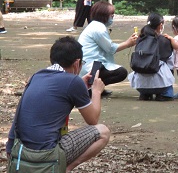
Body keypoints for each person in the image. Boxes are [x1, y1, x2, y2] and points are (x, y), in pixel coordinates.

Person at [6, 36, 110, 172]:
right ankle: (66, 168)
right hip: (47, 154)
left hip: (19, 151)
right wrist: (96, 91)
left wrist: (9, 149)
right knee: (103, 132)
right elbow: (93, 120)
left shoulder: (36, 76)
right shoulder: (73, 82)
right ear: (77, 63)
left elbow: (19, 116)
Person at [78, 1, 137, 93]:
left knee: (113, 69)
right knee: (121, 72)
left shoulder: (94, 25)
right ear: (104, 15)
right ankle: (92, 88)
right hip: (90, 65)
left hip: (88, 64)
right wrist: (128, 43)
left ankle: (96, 86)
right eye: (111, 15)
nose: (112, 18)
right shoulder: (99, 28)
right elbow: (110, 48)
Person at [128, 13, 176, 101]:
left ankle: (145, 94)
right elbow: (170, 61)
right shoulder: (164, 40)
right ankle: (165, 94)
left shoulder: (140, 39)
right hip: (161, 84)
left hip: (140, 84)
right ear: (161, 25)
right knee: (169, 62)